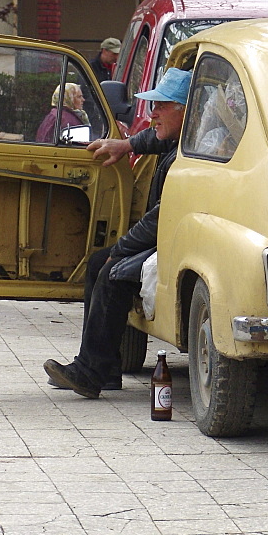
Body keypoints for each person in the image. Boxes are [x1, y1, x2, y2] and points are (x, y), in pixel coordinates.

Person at [44, 67, 192, 398]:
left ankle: (90, 372)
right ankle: (105, 368)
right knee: (99, 262)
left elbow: (161, 217)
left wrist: (123, 247)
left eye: (161, 106)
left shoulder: (190, 154)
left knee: (113, 269)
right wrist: (126, 145)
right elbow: (154, 135)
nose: (152, 114)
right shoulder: (179, 137)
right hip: (168, 235)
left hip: (178, 239)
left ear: (185, 110)